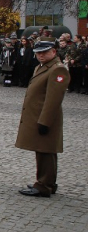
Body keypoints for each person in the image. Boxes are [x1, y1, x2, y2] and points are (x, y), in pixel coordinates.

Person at [16, 38, 70, 197]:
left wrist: (45, 121)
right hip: (38, 116)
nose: (41, 55)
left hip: (45, 118)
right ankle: (48, 183)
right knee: (43, 151)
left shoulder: (57, 70)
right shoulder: (43, 67)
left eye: (44, 52)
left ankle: (43, 185)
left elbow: (53, 99)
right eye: (38, 53)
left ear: (53, 51)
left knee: (45, 151)